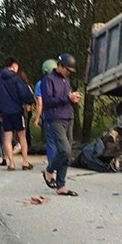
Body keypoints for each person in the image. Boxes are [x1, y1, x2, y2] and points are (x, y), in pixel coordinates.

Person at [41, 53, 80, 196]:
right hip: (54, 119)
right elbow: (48, 101)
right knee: (65, 150)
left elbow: (65, 98)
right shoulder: (48, 80)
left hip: (68, 117)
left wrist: (72, 98)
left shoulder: (66, 80)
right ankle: (49, 171)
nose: (68, 73)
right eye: (67, 70)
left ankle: (61, 185)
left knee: (67, 155)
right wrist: (67, 98)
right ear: (60, 66)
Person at [0, 57, 36, 170]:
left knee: (7, 137)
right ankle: (25, 162)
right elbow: (24, 93)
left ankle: (11, 163)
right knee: (22, 136)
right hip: (17, 111)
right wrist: (30, 101)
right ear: (13, 65)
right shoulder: (16, 78)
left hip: (4, 112)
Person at [33, 59, 58, 162]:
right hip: (63, 115)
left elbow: (40, 103)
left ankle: (52, 165)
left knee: (51, 141)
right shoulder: (61, 81)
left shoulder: (41, 83)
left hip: (49, 115)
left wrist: (36, 118)